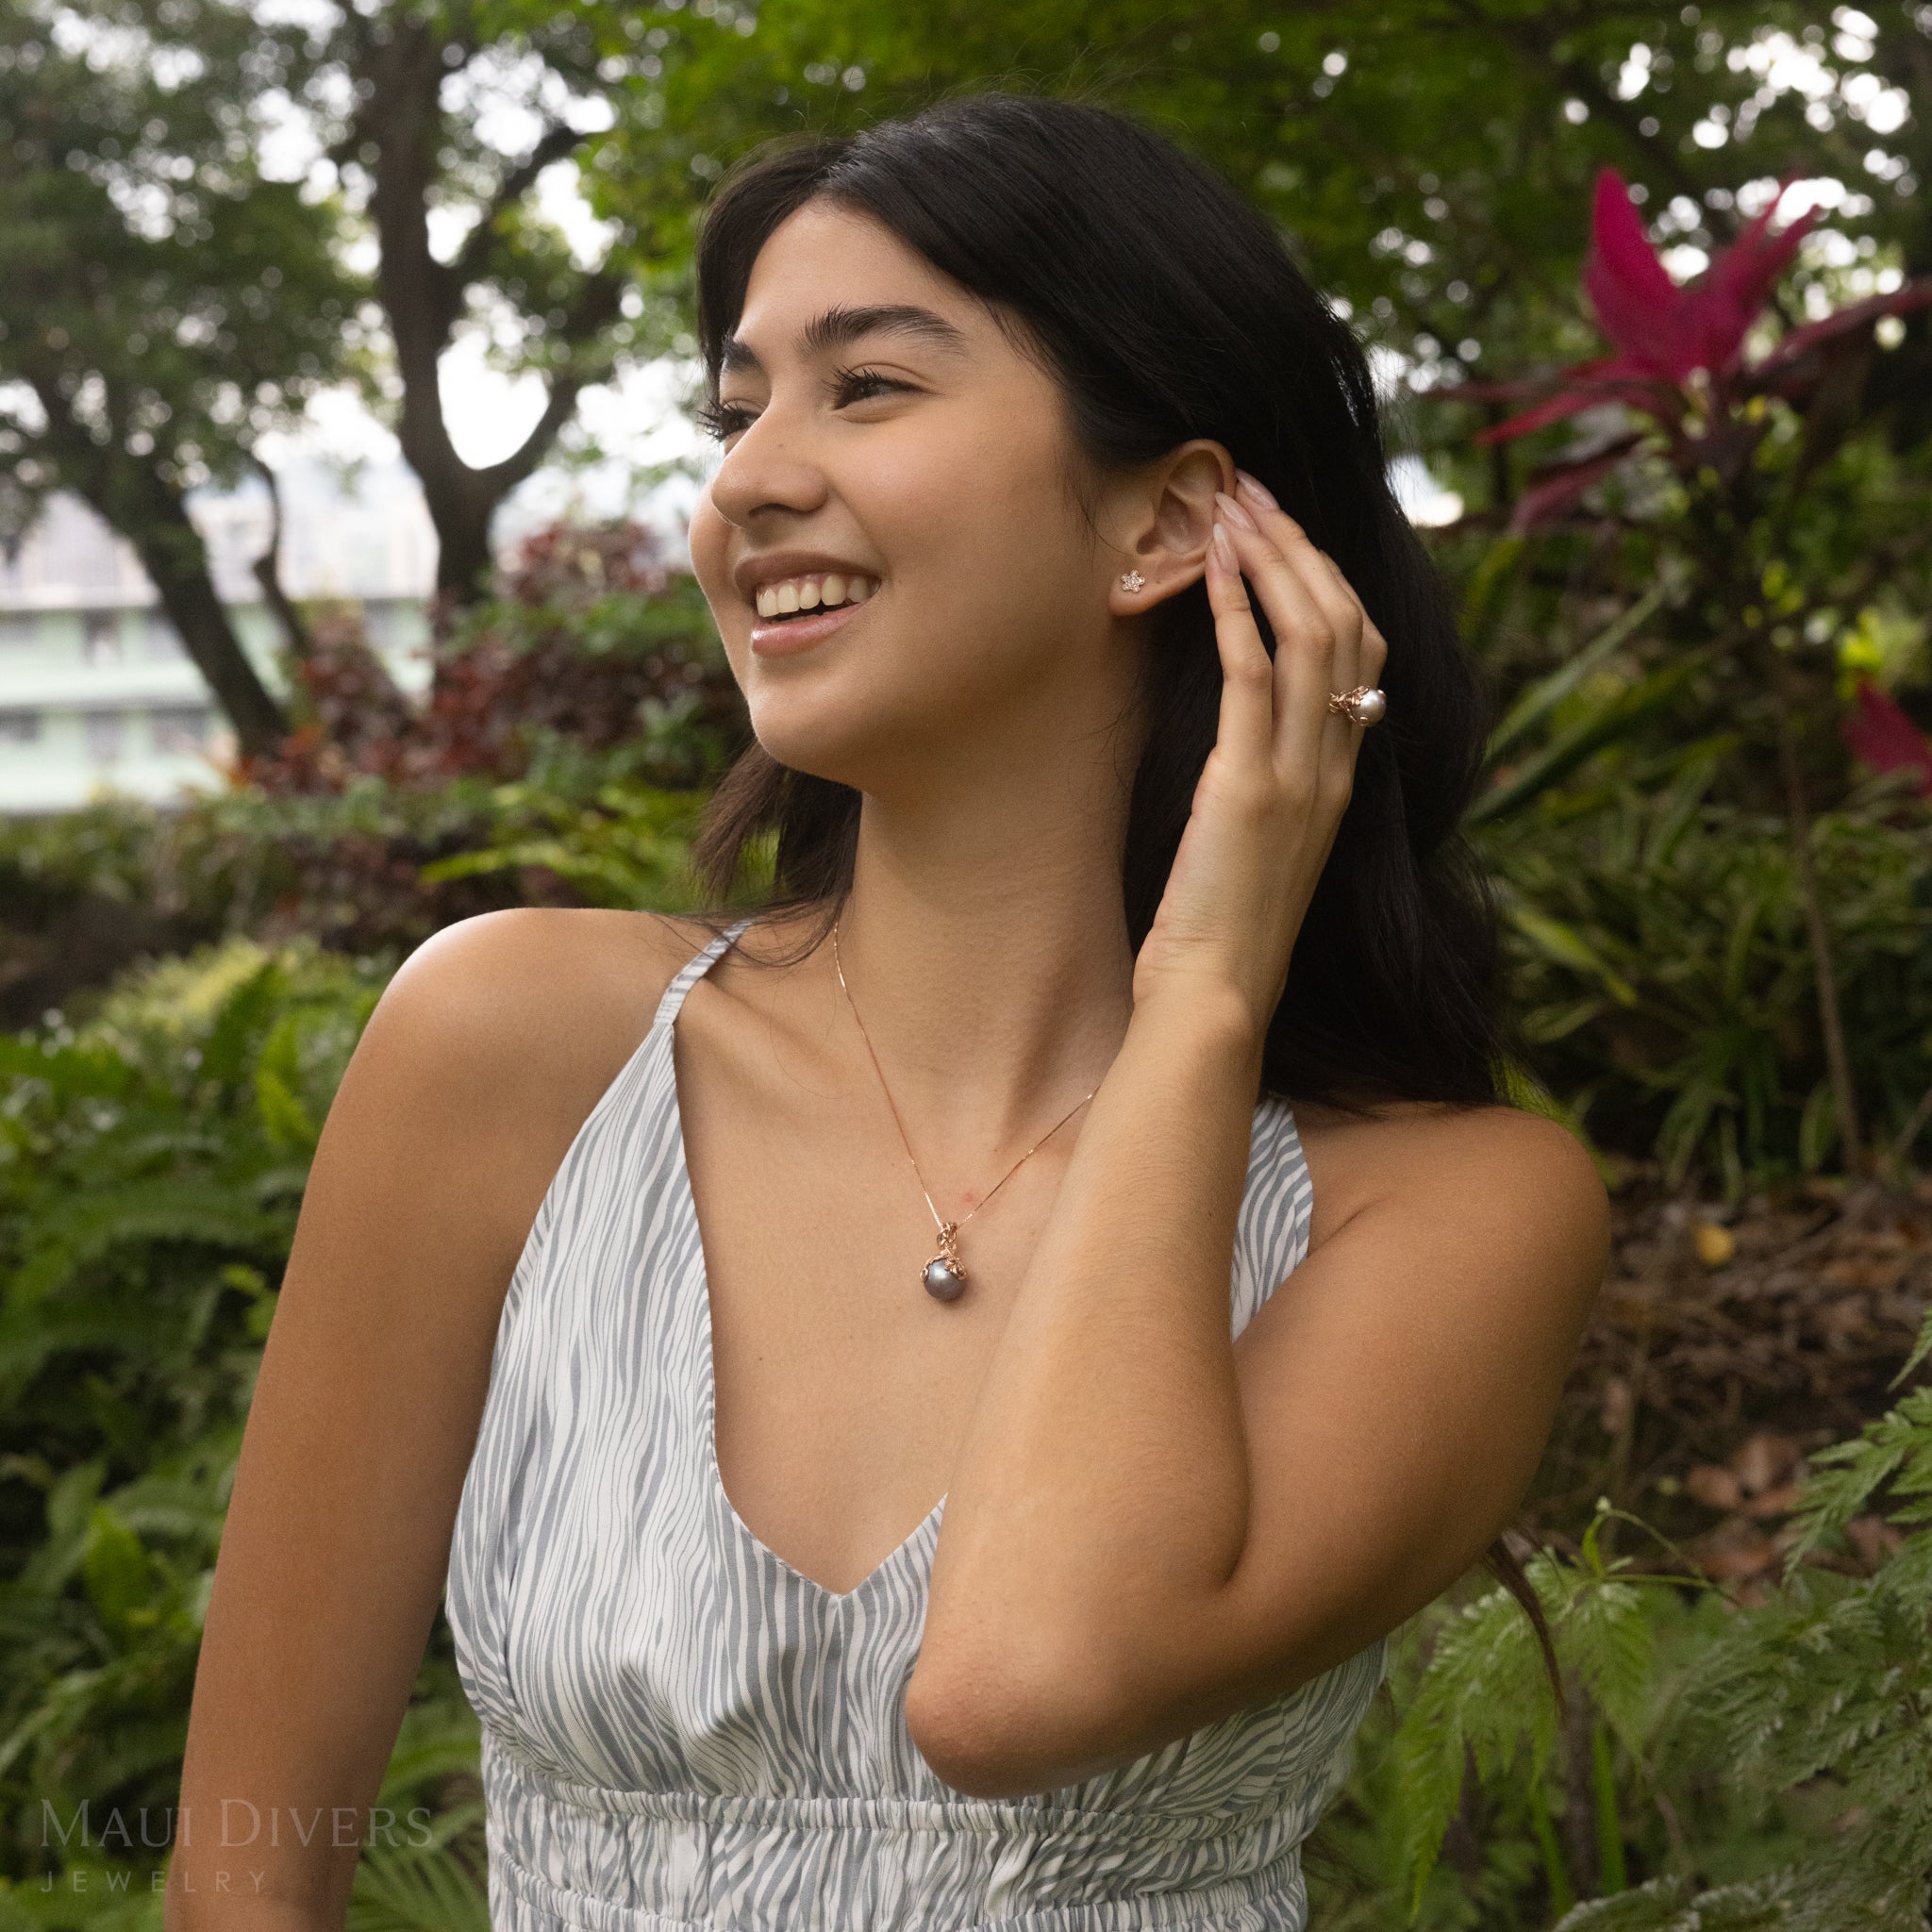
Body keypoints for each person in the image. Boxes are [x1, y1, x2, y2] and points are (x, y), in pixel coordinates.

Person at [169, 92, 1608, 1932]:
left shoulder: (1453, 1212)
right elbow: (238, 1885)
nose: (748, 478)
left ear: (1169, 517)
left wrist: (1197, 996)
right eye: (735, 405)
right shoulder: (512, 1051)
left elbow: (1017, 1683)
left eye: (866, 389)